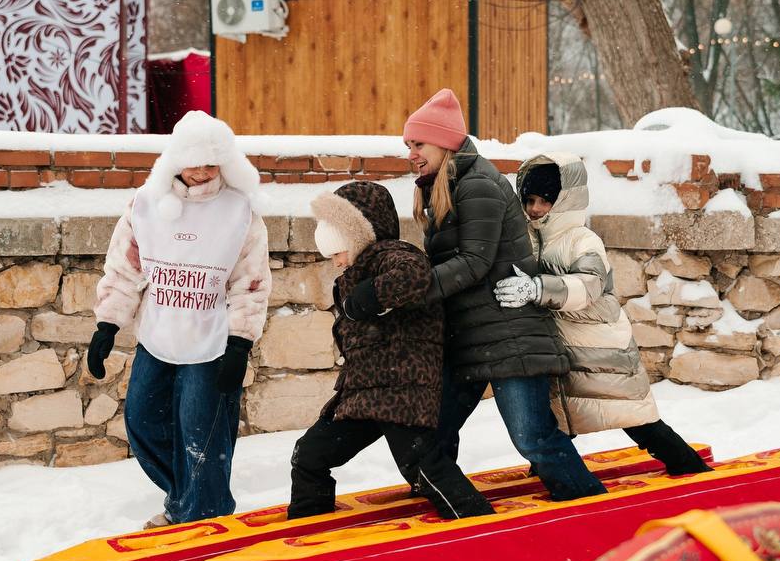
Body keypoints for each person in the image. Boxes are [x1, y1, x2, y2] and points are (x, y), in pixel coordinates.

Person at [406, 89, 607, 501]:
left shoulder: (477, 183)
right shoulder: (446, 185)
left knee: (532, 438)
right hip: (470, 338)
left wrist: (412, 290)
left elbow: (473, 261)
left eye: (418, 144)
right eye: (408, 145)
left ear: (444, 143)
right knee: (431, 433)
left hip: (508, 335)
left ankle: (589, 505)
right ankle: (453, 511)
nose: (411, 153)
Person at [87, 111, 272, 528]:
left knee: (201, 438)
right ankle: (192, 500)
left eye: (212, 161)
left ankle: (200, 516)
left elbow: (251, 282)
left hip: (211, 343)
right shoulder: (145, 204)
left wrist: (240, 343)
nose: (203, 171)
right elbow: (125, 268)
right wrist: (107, 325)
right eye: (195, 160)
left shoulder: (239, 211)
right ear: (175, 159)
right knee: (143, 421)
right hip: (159, 336)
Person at [493, 153, 712, 475]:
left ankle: (689, 468)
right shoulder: (531, 239)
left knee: (636, 419)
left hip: (600, 347)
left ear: (566, 200)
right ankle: (554, 473)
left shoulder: (582, 240)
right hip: (565, 348)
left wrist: (537, 289)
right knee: (556, 415)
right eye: (530, 200)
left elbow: (590, 283)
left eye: (546, 201)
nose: (536, 209)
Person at [287, 181, 495, 520]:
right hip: (364, 395)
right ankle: (310, 528)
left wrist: (367, 298)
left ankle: (476, 524)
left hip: (401, 391)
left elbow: (413, 275)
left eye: (338, 251)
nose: (337, 263)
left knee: (421, 467)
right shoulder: (354, 273)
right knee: (309, 454)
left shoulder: (390, 255)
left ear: (356, 235)